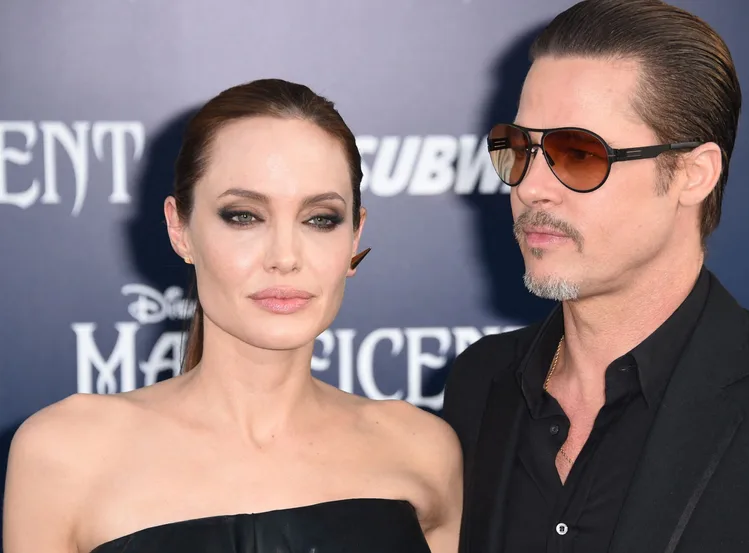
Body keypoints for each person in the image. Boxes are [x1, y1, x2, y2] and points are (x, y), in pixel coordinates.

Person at [442, 1, 749, 553]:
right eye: (520, 149)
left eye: (579, 154)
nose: (531, 188)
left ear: (692, 174)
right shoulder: (480, 383)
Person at [3, 78, 462, 553]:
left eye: (320, 218)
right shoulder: (64, 454)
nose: (285, 256)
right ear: (179, 228)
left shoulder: (423, 451)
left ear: (353, 237)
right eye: (244, 215)